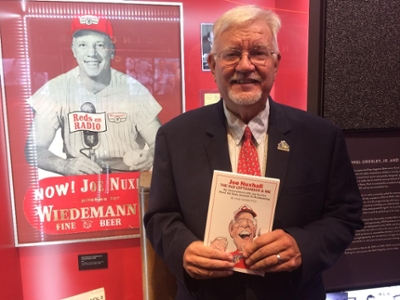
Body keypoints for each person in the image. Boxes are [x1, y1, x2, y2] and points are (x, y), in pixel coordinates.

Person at [144, 5, 363, 300]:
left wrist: (303, 246)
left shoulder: (321, 137)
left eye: (259, 52)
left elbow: (345, 214)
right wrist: (183, 249)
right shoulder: (175, 136)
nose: (245, 65)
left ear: (275, 63)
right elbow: (160, 216)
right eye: (231, 53)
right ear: (212, 64)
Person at [25, 15, 162, 175]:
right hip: (79, 183)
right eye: (83, 45)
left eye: (100, 45)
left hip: (126, 181)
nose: (92, 53)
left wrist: (151, 155)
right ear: (74, 50)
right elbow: (34, 149)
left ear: (112, 51)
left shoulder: (134, 90)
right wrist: (64, 165)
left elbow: (159, 142)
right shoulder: (55, 88)